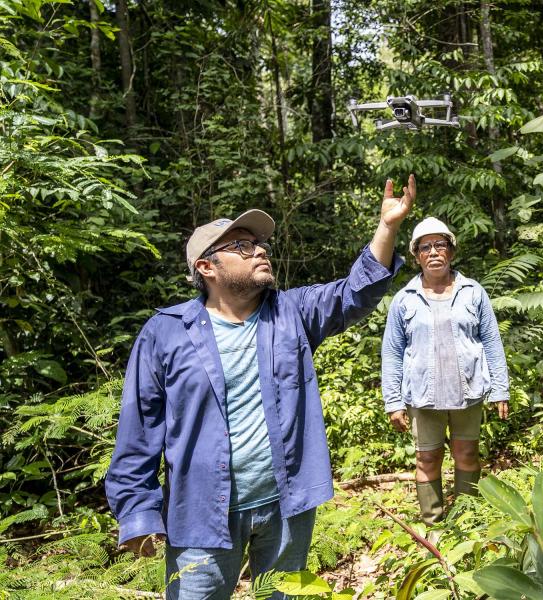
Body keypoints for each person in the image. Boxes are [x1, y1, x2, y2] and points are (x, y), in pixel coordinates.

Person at [105, 176, 417, 599]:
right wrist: (138, 513)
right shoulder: (165, 332)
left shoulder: (291, 312)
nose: (259, 250)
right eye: (241, 246)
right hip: (200, 514)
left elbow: (354, 294)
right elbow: (140, 429)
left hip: (286, 506)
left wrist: (388, 227)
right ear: (206, 267)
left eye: (259, 243)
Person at [381, 216, 510, 526]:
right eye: (426, 247)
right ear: (416, 256)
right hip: (422, 397)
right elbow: (392, 351)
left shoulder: (473, 292)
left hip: (467, 392)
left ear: (451, 251)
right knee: (427, 459)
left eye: (440, 245)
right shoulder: (404, 300)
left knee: (467, 454)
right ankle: (433, 523)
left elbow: (492, 341)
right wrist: (393, 401)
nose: (434, 252)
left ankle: (469, 522)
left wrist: (501, 389)